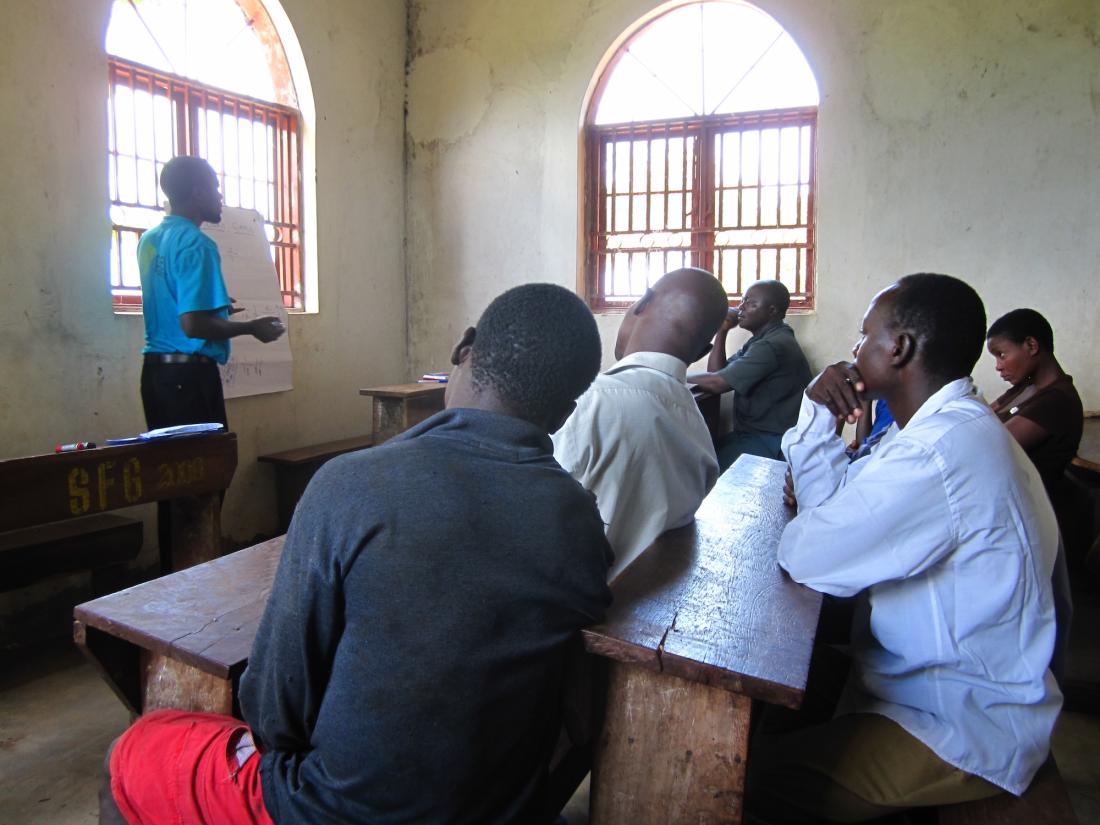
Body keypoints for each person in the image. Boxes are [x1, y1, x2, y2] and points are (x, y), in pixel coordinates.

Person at [100, 283, 614, 825]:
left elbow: (274, 709)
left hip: (335, 809)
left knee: (132, 756)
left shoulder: (351, 484)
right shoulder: (577, 517)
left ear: (463, 348)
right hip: (500, 806)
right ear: (562, 415)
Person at [748, 274, 1061, 823]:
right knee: (799, 694)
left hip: (959, 720)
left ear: (899, 348)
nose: (853, 350)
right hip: (935, 690)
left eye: (864, 334)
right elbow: (832, 514)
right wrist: (819, 415)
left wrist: (813, 439)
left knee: (750, 783)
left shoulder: (940, 452)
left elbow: (808, 554)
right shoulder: (923, 434)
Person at [552, 267, 730, 581]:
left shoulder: (587, 403)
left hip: (572, 611)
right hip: (638, 607)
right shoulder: (698, 428)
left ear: (642, 302)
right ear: (702, 352)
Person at [139, 155, 285, 430]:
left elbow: (172, 300)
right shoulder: (196, 243)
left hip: (156, 375)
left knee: (170, 468)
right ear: (197, 193)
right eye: (215, 187)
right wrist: (252, 328)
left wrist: (216, 307)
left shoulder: (150, 240)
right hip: (189, 377)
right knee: (206, 466)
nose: (220, 196)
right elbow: (193, 325)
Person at [688, 279, 812, 470]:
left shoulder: (771, 346)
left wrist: (670, 374)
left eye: (751, 304)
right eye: (743, 301)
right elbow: (717, 372)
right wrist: (722, 331)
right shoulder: (764, 340)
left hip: (770, 442)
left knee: (698, 469)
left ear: (772, 311)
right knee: (700, 457)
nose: (741, 308)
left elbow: (718, 383)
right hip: (753, 436)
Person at [986, 308, 1083, 494]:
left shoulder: (1057, 401)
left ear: (1031, 345)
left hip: (1032, 509)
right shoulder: (1026, 386)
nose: (998, 366)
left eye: (1002, 355)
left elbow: (989, 445)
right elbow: (982, 414)